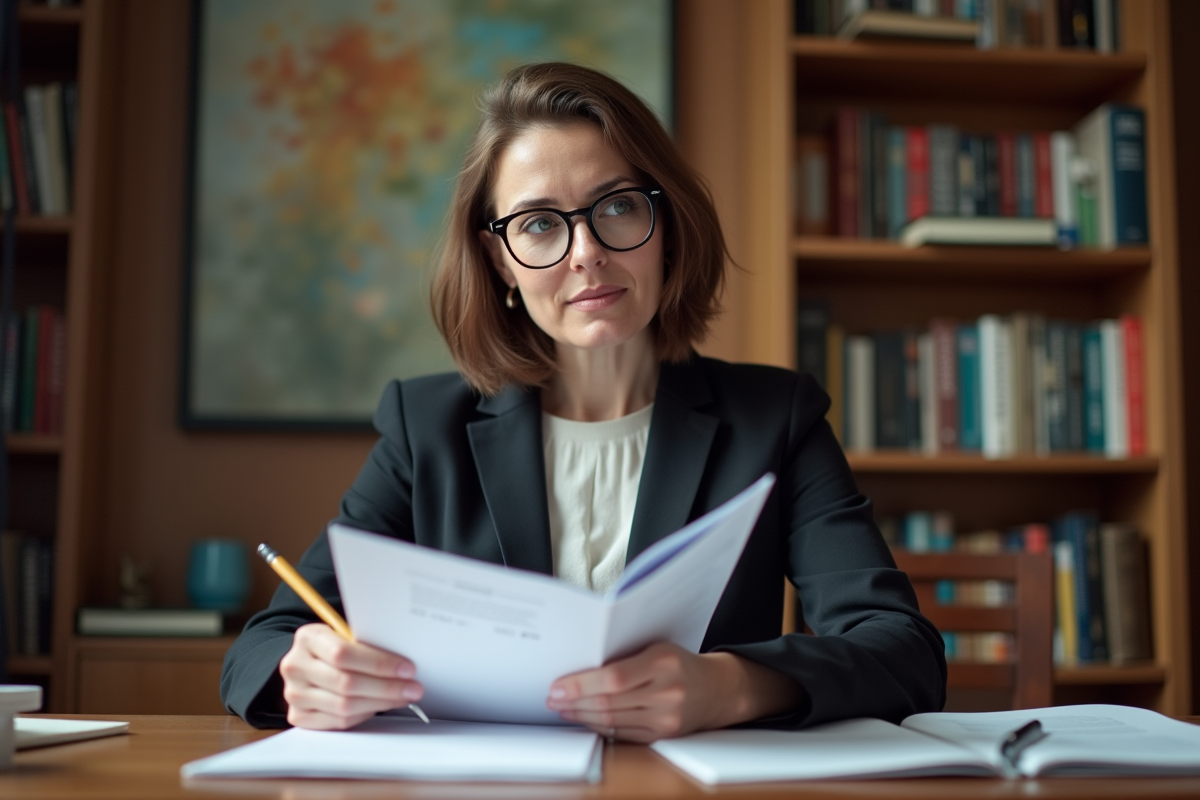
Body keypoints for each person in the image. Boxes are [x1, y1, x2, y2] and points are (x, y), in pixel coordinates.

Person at [220, 62, 946, 743]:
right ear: (499, 259)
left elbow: (903, 651)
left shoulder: (775, 419)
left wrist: (731, 687)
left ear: (666, 226)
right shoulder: (426, 429)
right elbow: (260, 647)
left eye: (618, 207)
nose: (585, 253)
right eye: (539, 224)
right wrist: (304, 675)